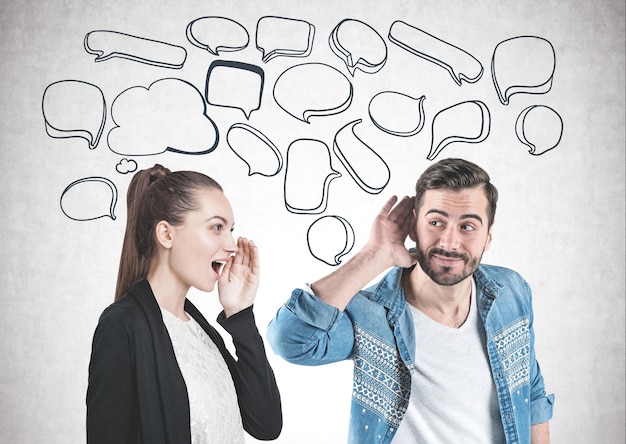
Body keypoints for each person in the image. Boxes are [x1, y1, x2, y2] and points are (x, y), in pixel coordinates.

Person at [268, 158, 554, 444]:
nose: (449, 242)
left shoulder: (511, 291)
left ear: (488, 237)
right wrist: (373, 255)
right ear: (414, 226)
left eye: (467, 226)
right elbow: (290, 340)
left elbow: (531, 392)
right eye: (436, 222)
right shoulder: (369, 316)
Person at [87, 164, 282, 444]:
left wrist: (240, 314)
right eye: (217, 227)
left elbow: (266, 424)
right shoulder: (122, 324)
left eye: (230, 230)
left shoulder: (201, 332)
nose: (231, 245)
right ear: (166, 234)